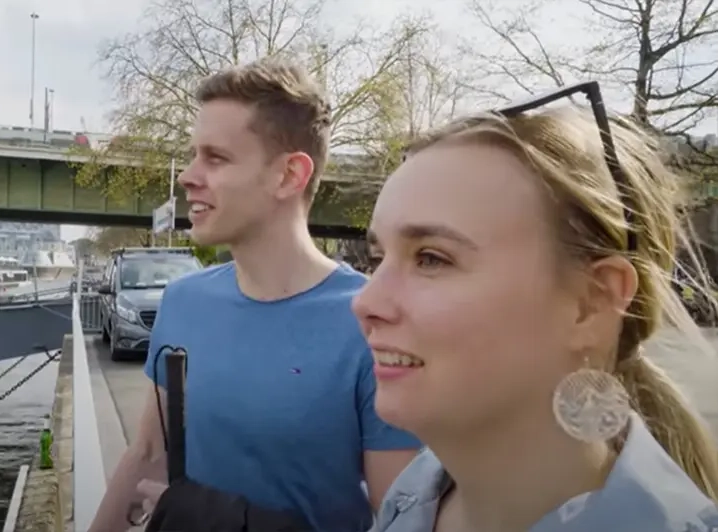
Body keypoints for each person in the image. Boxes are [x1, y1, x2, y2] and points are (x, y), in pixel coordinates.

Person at [354, 92, 718, 531]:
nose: (365, 302)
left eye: (431, 258)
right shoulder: (417, 491)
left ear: (591, 303)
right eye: (378, 259)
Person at [88, 58, 422, 532]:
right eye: (193, 155)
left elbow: (397, 520)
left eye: (215, 158)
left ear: (289, 175)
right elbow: (147, 454)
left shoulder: (373, 320)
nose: (188, 175)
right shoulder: (183, 302)